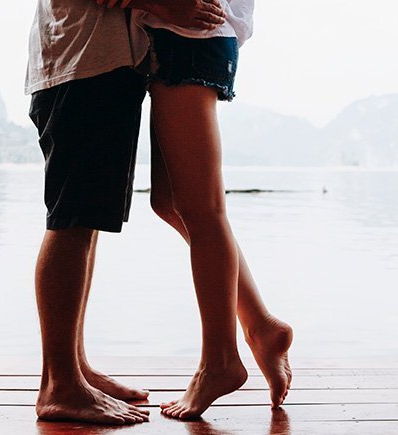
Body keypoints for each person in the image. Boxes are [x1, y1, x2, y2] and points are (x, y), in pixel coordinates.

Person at [25, 0, 228, 425]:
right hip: (81, 61)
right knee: (71, 220)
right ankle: (59, 385)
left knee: (87, 220)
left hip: (101, 63)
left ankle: (74, 368)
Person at [107, 0, 295, 420]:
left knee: (202, 208)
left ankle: (221, 361)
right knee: (171, 204)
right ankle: (262, 328)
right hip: (182, 37)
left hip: (189, 37)